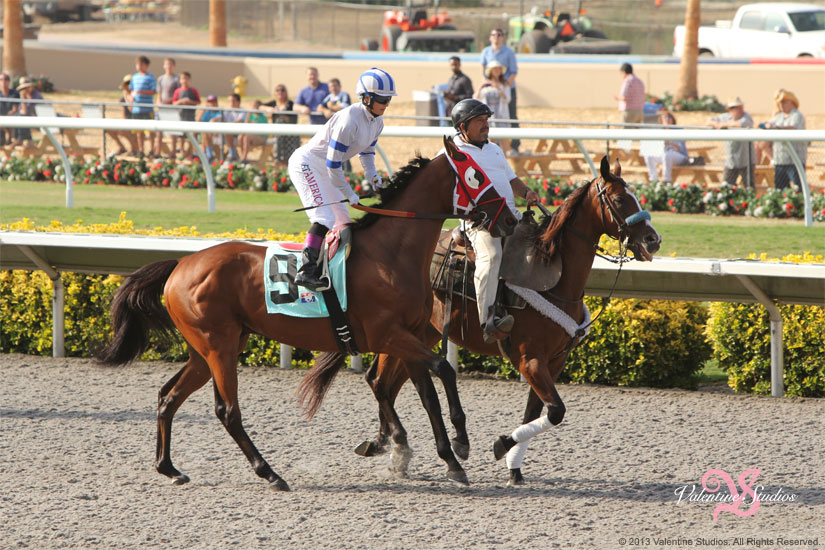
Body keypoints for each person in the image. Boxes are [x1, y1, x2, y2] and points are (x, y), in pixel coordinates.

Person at [288, 68, 396, 290]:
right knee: (324, 216)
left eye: (388, 99)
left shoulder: (377, 122)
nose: (386, 104)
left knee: (343, 222)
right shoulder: (349, 120)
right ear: (367, 98)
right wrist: (349, 194)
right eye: (382, 99)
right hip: (307, 164)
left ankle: (332, 269)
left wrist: (372, 176)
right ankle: (305, 271)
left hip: (325, 167)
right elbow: (333, 165)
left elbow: (367, 152)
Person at [446, 98, 539, 343]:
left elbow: (511, 180)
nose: (486, 125)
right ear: (463, 127)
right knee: (492, 257)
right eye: (479, 121)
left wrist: (527, 192)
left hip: (511, 217)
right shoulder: (451, 153)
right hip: (480, 222)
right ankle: (487, 322)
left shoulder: (494, 148)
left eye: (486, 120)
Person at [480, 28, 519, 155]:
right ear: (490, 37)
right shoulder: (486, 51)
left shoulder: (509, 52)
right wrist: (488, 84)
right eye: (494, 35)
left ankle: (514, 146)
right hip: (491, 90)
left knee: (511, 116)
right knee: (490, 116)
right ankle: (491, 147)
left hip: (506, 87)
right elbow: (483, 69)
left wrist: (504, 86)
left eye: (499, 35)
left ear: (503, 37)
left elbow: (513, 72)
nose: (496, 37)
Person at [762, 90, 807, 190]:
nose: (781, 104)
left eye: (784, 102)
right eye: (780, 102)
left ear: (792, 102)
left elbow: (793, 127)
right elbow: (767, 125)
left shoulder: (797, 116)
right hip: (780, 160)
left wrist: (775, 127)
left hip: (795, 161)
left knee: (798, 188)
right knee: (780, 190)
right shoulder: (778, 117)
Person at [707, 97, 755, 187]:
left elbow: (742, 124)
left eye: (741, 107)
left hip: (746, 160)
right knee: (726, 186)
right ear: (730, 109)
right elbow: (709, 121)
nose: (741, 110)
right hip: (731, 160)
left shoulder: (746, 116)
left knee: (749, 187)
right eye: (737, 108)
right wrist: (717, 124)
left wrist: (724, 125)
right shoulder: (725, 117)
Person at [474, 60, 510, 150]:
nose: (497, 71)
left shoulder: (504, 84)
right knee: (490, 139)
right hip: (489, 114)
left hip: (500, 114)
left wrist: (498, 88)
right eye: (495, 69)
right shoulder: (485, 84)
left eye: (499, 69)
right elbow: (475, 98)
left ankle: (504, 159)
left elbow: (507, 99)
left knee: (503, 139)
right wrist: (481, 87)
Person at [644, 111, 688, 183]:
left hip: (679, 155)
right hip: (665, 154)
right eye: (664, 118)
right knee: (649, 154)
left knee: (667, 155)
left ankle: (666, 180)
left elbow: (679, 148)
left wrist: (669, 143)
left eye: (669, 118)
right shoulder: (660, 131)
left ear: (672, 120)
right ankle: (653, 180)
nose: (667, 119)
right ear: (662, 120)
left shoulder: (678, 130)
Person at [262, 84, 299, 166]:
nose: (280, 92)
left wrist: (280, 114)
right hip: (278, 136)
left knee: (291, 159)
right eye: (277, 90)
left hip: (290, 137)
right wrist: (269, 109)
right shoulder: (273, 103)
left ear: (286, 92)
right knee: (278, 159)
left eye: (282, 90)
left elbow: (292, 119)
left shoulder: (291, 104)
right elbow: (260, 106)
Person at [129, 55, 157, 156]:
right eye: (137, 64)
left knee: (150, 130)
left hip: (147, 108)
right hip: (137, 109)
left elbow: (154, 91)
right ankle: (141, 150)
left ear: (146, 65)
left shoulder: (150, 77)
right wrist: (130, 98)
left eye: (141, 64)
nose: (139, 66)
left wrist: (142, 92)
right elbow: (130, 90)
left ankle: (152, 149)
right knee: (138, 131)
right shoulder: (135, 77)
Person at [105, 74, 139, 156]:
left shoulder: (136, 97)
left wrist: (128, 97)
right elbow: (124, 113)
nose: (127, 87)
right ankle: (121, 147)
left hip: (136, 121)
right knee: (108, 128)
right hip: (127, 121)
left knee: (124, 131)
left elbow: (132, 109)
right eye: (126, 84)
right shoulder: (123, 99)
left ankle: (135, 149)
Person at [154, 57, 181, 157]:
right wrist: (159, 103)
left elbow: (177, 93)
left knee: (173, 130)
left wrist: (169, 101)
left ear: (174, 66)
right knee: (159, 130)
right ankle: (157, 151)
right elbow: (159, 93)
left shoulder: (176, 78)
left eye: (170, 64)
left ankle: (173, 152)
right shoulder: (161, 79)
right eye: (167, 64)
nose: (168, 66)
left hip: (172, 107)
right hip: (162, 107)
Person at [210, 93, 245, 161]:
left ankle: (232, 154)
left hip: (239, 134)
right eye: (229, 101)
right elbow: (220, 117)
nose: (231, 103)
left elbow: (239, 121)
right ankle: (209, 155)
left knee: (227, 132)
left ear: (238, 102)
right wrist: (214, 120)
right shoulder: (227, 111)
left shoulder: (243, 111)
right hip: (227, 132)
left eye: (233, 101)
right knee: (206, 133)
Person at [13, 76, 43, 147]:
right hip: (29, 117)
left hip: (39, 117)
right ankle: (19, 139)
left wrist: (23, 99)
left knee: (21, 117)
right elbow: (21, 110)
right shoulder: (23, 96)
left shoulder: (36, 95)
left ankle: (22, 140)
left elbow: (26, 111)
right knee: (17, 116)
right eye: (23, 88)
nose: (25, 90)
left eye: (26, 87)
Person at [199, 94, 222, 160]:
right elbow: (199, 121)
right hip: (208, 134)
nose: (212, 103)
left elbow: (220, 117)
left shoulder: (219, 111)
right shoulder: (207, 112)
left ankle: (207, 154)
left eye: (213, 101)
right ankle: (207, 154)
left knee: (205, 134)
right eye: (210, 102)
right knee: (204, 134)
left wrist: (214, 120)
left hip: (216, 134)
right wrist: (203, 110)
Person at [0, 73, 20, 146]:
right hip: (1, 118)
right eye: (1, 79)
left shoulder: (14, 93)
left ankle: (12, 139)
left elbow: (15, 108)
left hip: (10, 117)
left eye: (6, 79)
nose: (3, 81)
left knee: (16, 117)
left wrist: (11, 113)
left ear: (9, 81)